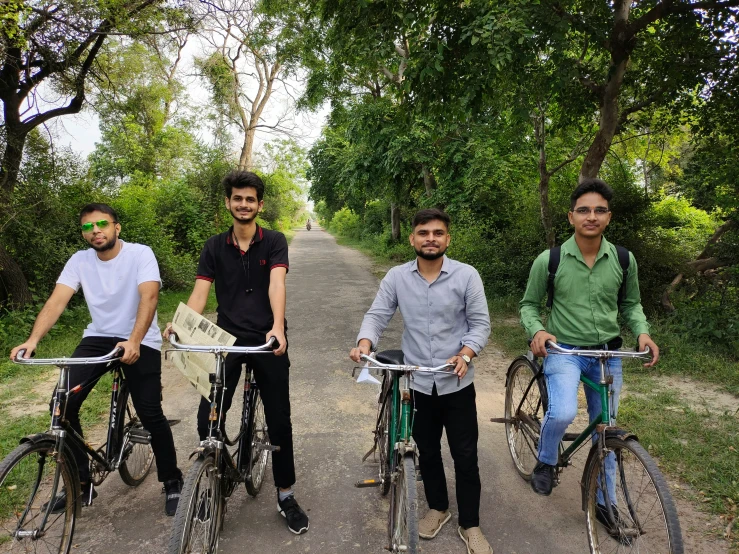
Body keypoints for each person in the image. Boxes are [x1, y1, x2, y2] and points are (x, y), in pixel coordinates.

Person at [10, 203, 184, 515]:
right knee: (62, 406)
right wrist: (32, 340)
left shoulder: (140, 254)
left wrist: (134, 341)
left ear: (117, 228)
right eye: (88, 227)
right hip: (98, 336)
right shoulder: (80, 261)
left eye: (102, 224)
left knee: (149, 411)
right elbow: (56, 301)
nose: (95, 231)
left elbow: (150, 296)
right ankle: (82, 484)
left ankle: (172, 480)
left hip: (139, 337)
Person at [164, 170, 309, 535]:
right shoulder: (214, 246)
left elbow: (277, 283)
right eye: (237, 198)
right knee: (206, 419)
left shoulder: (274, 241)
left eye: (250, 199)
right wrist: (180, 324)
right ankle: (215, 477)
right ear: (228, 203)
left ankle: (286, 494)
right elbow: (200, 293)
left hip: (266, 339)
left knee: (279, 421)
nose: (243, 204)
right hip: (224, 340)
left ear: (259, 205)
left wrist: (277, 326)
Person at [350, 208, 493, 554]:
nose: (431, 238)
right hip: (416, 382)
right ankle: (439, 508)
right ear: (412, 238)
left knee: (465, 454)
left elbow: (480, 325)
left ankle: (470, 524)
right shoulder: (397, 278)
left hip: (456, 381)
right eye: (424, 233)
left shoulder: (466, 276)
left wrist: (466, 353)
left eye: (438, 233)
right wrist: (364, 342)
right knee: (426, 451)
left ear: (448, 239)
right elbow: (378, 313)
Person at [519, 179, 660, 527]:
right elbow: (528, 306)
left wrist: (642, 332)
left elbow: (631, 304)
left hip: (608, 356)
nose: (591, 216)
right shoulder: (549, 260)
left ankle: (604, 503)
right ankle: (547, 460)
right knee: (564, 410)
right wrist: (537, 330)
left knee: (608, 431)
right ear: (571, 217)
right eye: (583, 210)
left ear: (608, 217)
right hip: (564, 350)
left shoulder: (624, 259)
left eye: (599, 210)